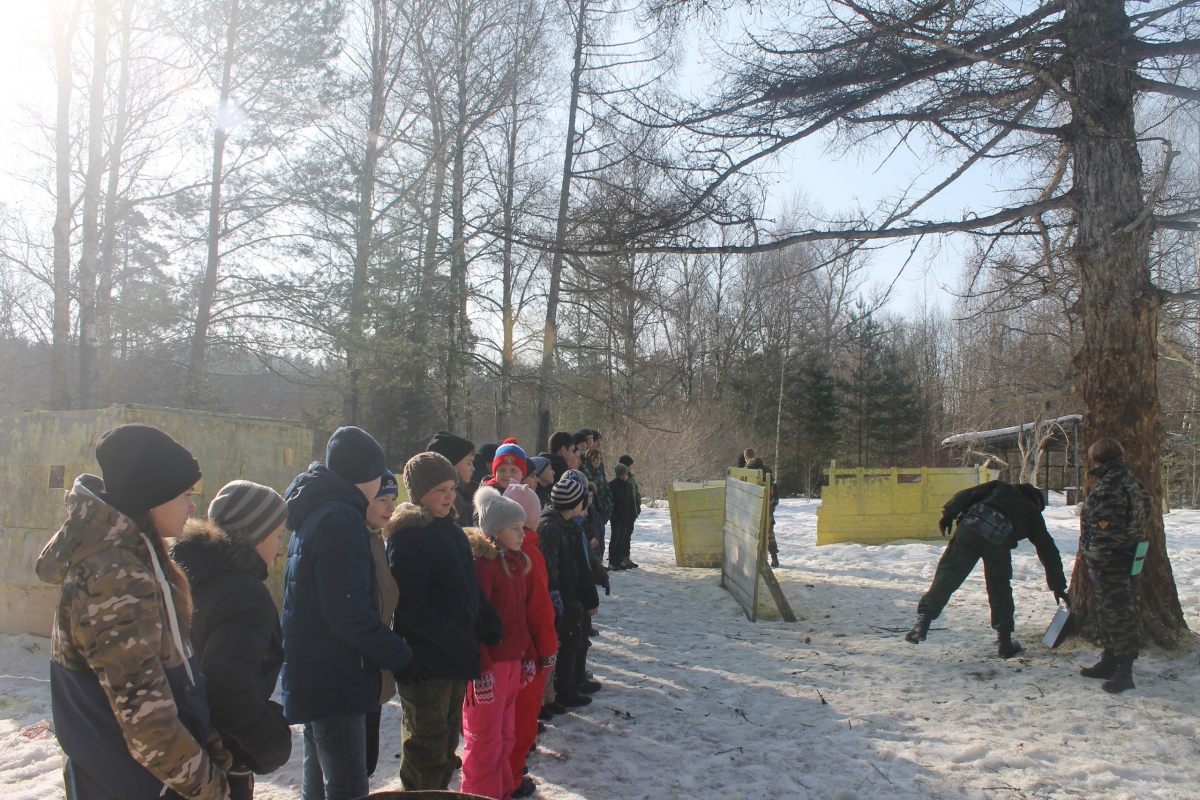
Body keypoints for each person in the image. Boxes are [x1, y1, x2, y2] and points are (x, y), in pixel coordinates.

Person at [37, 424, 231, 800]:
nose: (193, 507)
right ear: (152, 497)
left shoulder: (137, 558)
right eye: (186, 494)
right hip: (130, 783)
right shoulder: (115, 576)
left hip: (151, 778)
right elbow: (144, 716)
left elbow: (172, 675)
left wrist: (211, 749)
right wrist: (210, 787)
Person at [282, 426, 416, 800]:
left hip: (319, 671)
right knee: (347, 785)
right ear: (366, 475)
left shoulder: (318, 508)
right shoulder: (341, 518)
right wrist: (400, 655)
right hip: (336, 675)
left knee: (320, 776)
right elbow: (349, 613)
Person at [387, 452, 504, 791]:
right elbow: (413, 607)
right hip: (427, 663)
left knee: (447, 744)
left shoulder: (450, 530)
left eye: (452, 487)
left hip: (454, 659)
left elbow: (468, 586)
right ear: (419, 492)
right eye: (440, 489)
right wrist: (458, 640)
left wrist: (485, 618)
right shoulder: (409, 536)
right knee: (427, 748)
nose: (449, 496)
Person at [172, 481, 293, 800]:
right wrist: (273, 742)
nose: (279, 545)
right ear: (257, 536)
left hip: (185, 748)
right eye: (278, 535)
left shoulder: (192, 574)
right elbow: (228, 688)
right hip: (224, 757)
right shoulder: (244, 594)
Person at [904, 480, 1068, 658]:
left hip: (970, 528)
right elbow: (1048, 550)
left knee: (948, 576)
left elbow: (967, 494)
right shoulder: (1032, 512)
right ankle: (1004, 643)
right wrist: (1058, 585)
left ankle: (922, 624)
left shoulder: (1000, 487)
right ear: (1037, 502)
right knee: (1000, 588)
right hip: (997, 541)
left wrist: (948, 514)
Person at [461, 488, 536, 800]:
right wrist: (481, 670)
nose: (522, 534)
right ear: (494, 531)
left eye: (522, 527)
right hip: (489, 668)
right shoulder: (483, 566)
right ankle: (481, 794)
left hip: (511, 664)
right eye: (514, 529)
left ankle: (503, 790)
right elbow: (474, 623)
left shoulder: (516, 563)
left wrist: (528, 655)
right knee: (483, 739)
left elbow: (521, 619)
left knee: (505, 734)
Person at [1077, 438, 1152, 693]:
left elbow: (1106, 530)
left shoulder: (1110, 485)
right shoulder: (1129, 478)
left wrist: (1095, 561)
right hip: (1125, 555)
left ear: (1096, 458)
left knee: (1119, 615)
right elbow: (1147, 509)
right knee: (1109, 613)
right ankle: (1110, 662)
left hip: (1111, 560)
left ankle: (1124, 671)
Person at [501, 484, 557, 799]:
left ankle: (502, 772)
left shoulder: (492, 553)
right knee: (522, 720)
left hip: (502, 653)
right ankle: (511, 776)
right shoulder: (530, 555)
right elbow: (540, 612)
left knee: (503, 720)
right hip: (529, 654)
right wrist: (548, 653)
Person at [537, 475, 600, 708]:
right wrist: (557, 598)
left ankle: (571, 684)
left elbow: (580, 564)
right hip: (560, 598)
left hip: (570, 594)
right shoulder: (551, 528)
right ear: (575, 504)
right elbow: (551, 568)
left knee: (574, 642)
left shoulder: (569, 525)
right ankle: (564, 691)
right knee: (564, 645)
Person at [364, 471, 402, 777]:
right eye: (382, 499)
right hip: (358, 671)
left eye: (393, 499)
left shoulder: (377, 537)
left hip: (374, 668)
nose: (390, 507)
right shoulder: (358, 539)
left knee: (366, 762)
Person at [427, 430, 477, 520]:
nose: (473, 468)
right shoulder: (453, 500)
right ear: (450, 465)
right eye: (469, 463)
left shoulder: (465, 493)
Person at [744, 452, 780, 568]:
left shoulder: (746, 471)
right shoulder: (767, 470)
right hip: (767, 505)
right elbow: (775, 486)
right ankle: (774, 557)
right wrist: (774, 503)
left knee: (752, 532)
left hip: (752, 507)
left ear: (746, 457)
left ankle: (753, 560)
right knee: (769, 532)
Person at [581, 448, 611, 561]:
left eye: (600, 458)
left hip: (601, 508)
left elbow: (607, 490)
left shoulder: (600, 473)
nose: (598, 461)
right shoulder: (586, 473)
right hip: (591, 508)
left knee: (601, 536)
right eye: (595, 458)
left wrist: (608, 505)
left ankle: (600, 560)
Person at [608, 464, 638, 571]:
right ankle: (613, 561)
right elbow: (611, 501)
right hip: (617, 517)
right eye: (622, 475)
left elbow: (631, 501)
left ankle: (620, 560)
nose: (624, 477)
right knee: (615, 539)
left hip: (626, 516)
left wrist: (632, 514)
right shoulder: (612, 485)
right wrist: (614, 513)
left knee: (622, 540)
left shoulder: (628, 485)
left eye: (626, 475)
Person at [618, 455, 642, 521]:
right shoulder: (618, 478)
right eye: (631, 465)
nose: (632, 467)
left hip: (632, 511)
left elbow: (636, 491)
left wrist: (638, 501)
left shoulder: (631, 478)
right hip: (623, 513)